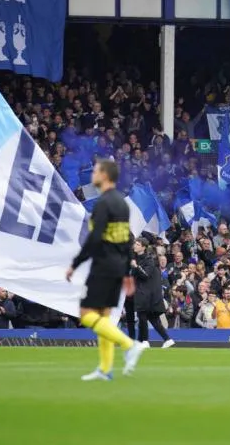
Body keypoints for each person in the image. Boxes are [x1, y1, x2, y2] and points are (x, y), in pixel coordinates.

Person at [65, 160, 145, 381]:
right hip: (118, 266)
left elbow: (94, 237)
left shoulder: (103, 203)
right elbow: (127, 240)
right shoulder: (122, 203)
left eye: (96, 171)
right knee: (104, 317)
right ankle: (106, 368)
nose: (92, 174)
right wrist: (127, 271)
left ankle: (129, 345)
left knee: (86, 314)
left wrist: (75, 264)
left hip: (103, 265)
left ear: (105, 175)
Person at [132, 238, 175, 348]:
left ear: (143, 247)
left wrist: (136, 266)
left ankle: (145, 341)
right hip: (142, 292)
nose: (135, 246)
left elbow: (145, 275)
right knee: (152, 319)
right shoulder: (136, 258)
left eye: (137, 244)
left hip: (147, 294)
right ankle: (167, 339)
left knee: (142, 316)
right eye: (135, 244)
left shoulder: (149, 260)